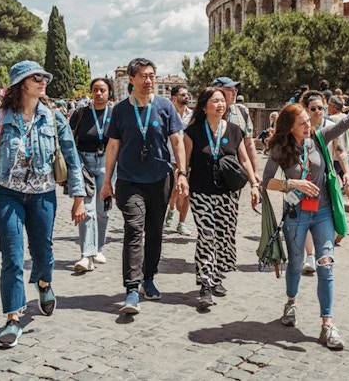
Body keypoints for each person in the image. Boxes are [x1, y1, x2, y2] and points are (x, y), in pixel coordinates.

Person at [0, 60, 87, 349]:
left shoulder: (54, 118)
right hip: (6, 193)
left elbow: (71, 157)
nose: (43, 81)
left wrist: (78, 197)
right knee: (12, 255)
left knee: (43, 251)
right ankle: (12, 318)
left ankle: (43, 283)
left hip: (43, 193)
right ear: (21, 84)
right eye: (36, 77)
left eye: (44, 77)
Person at [262, 96, 349, 350]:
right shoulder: (280, 148)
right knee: (295, 264)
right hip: (295, 213)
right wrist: (292, 183)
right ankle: (291, 302)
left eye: (308, 121)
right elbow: (266, 180)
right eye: (302, 123)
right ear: (290, 126)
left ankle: (327, 325)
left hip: (322, 211)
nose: (308, 126)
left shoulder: (320, 138)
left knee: (326, 265)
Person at [100, 57, 187, 315]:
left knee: (155, 231)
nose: (149, 80)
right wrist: (107, 181)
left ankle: (149, 277)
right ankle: (131, 287)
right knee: (134, 228)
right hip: (128, 180)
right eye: (144, 76)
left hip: (160, 179)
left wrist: (181, 173)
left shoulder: (164, 107)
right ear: (132, 79)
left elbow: (177, 141)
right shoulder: (120, 110)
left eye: (152, 75)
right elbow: (113, 146)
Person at [183, 86, 260, 309]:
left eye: (222, 101)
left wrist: (254, 184)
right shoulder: (193, 132)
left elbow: (244, 160)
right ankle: (205, 284)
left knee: (223, 234)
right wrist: (181, 184)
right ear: (205, 106)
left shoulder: (235, 131)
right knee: (206, 235)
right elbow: (185, 162)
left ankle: (215, 276)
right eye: (215, 101)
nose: (220, 104)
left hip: (228, 193)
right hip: (201, 192)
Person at [300, 90, 349, 274]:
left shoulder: (330, 126)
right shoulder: (300, 128)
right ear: (307, 109)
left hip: (327, 179)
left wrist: (346, 172)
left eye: (321, 108)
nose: (317, 112)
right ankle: (310, 256)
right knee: (307, 216)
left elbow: (340, 150)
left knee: (328, 216)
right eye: (313, 109)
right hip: (307, 179)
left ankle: (323, 253)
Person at [70, 78, 113, 272]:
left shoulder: (115, 114)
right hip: (84, 163)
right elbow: (70, 139)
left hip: (107, 163)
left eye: (102, 90)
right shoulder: (80, 114)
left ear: (108, 93)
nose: (98, 93)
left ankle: (98, 248)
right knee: (87, 208)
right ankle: (86, 256)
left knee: (102, 209)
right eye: (95, 90)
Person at [211, 77, 260, 182]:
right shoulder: (206, 113)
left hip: (234, 172)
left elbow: (249, 144)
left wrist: (255, 171)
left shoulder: (242, 112)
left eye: (235, 90)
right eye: (229, 90)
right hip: (209, 172)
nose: (234, 93)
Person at [327, 95, 349, 237]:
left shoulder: (330, 120)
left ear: (333, 107)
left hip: (335, 159)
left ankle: (338, 224)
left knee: (334, 191)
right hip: (348, 157)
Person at [165, 85, 193, 236]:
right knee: (172, 191)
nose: (187, 97)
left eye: (187, 94)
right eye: (183, 95)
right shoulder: (166, 114)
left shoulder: (192, 116)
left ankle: (181, 223)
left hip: (186, 159)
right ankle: (171, 209)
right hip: (168, 157)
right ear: (174, 98)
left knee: (185, 192)